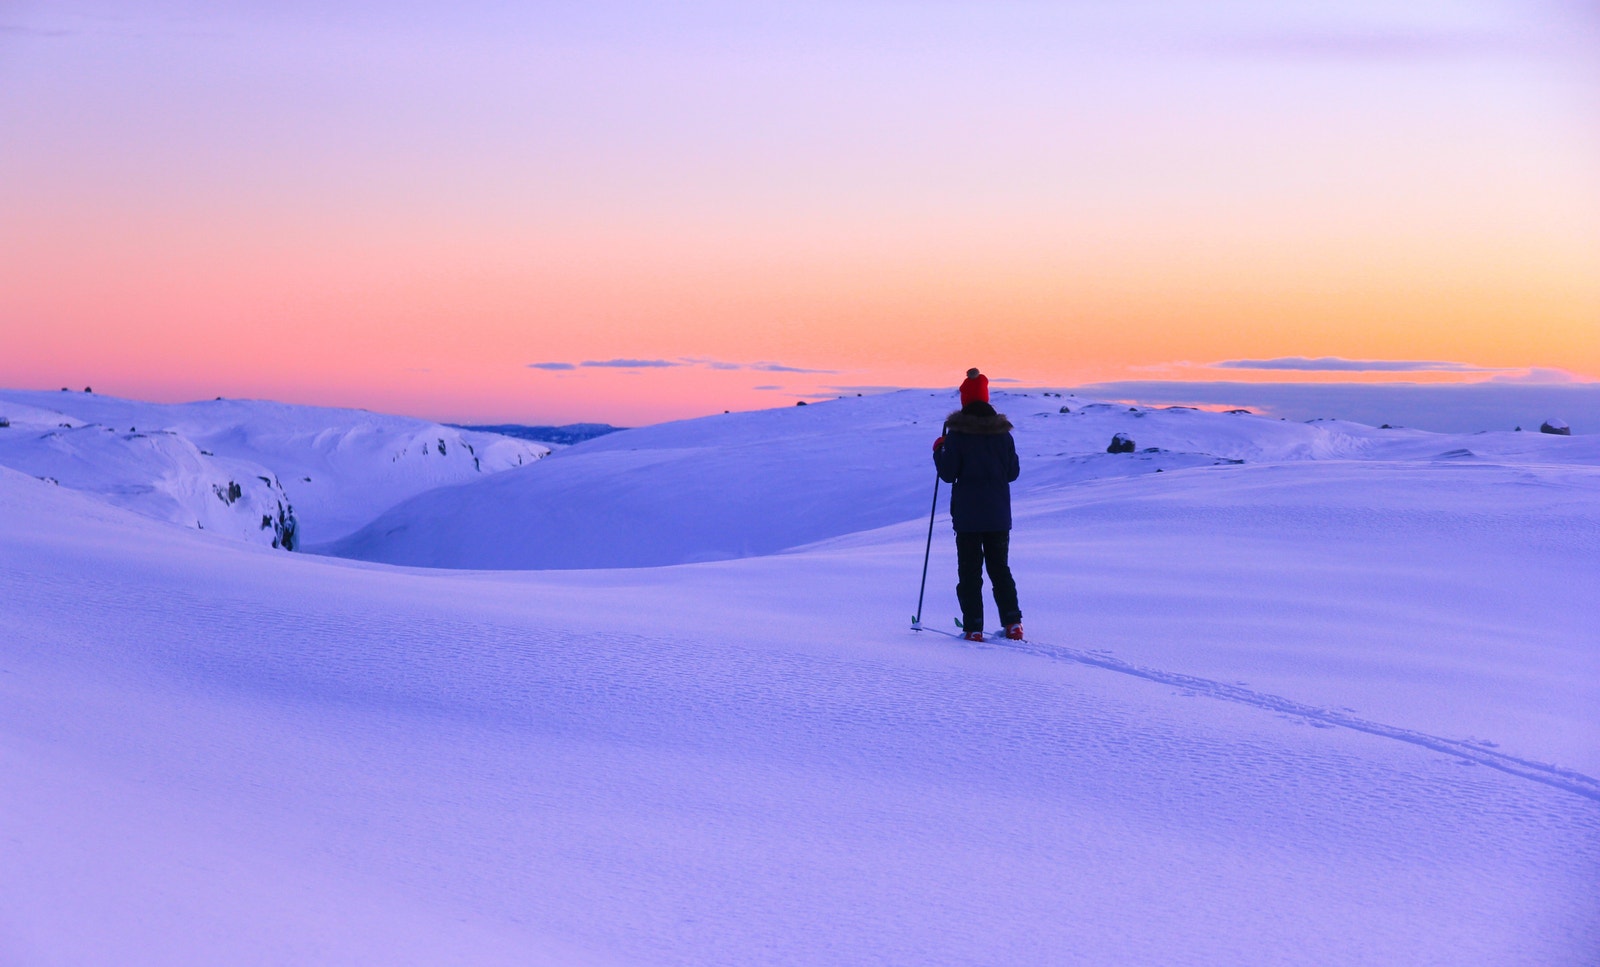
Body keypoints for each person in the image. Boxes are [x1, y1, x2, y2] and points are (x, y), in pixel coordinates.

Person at [932, 368, 1023, 641]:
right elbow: (1012, 473)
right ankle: (1013, 623)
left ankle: (973, 627)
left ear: (965, 401)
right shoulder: (1003, 435)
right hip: (998, 516)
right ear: (986, 398)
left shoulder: (957, 435)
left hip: (968, 517)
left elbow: (948, 474)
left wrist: (939, 450)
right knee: (1000, 569)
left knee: (970, 572)